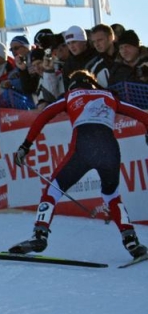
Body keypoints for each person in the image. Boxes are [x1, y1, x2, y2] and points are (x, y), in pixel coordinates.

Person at [10, 70, 148, 260]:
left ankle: (39, 234)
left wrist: (26, 145)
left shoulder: (70, 95)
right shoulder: (109, 96)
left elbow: (43, 116)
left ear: (72, 86)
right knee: (112, 195)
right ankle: (132, 242)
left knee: (54, 189)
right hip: (110, 149)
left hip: (82, 147)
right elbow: (142, 115)